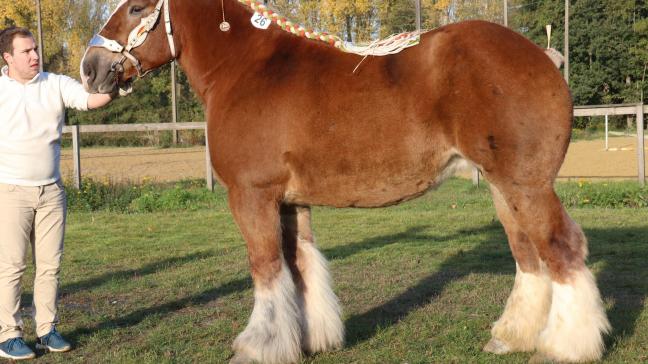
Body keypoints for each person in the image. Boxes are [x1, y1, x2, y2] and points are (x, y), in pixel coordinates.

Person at [0, 26, 113, 360]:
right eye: (26, 52)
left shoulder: (56, 83)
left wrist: (119, 84)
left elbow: (90, 100)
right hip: (10, 191)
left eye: (36, 49)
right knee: (12, 267)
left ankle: (47, 331)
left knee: (49, 266)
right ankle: (8, 336)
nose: (35, 56)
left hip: (51, 192)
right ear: (8, 57)